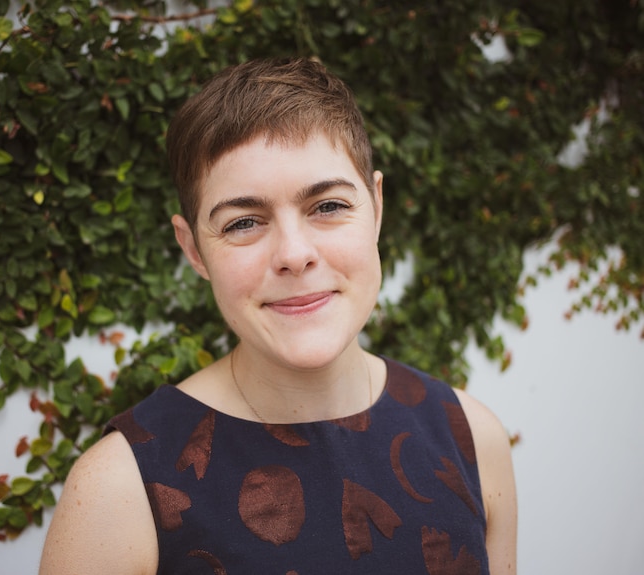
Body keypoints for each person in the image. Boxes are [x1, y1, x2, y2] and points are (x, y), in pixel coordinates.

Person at [39, 57, 517, 574]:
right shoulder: (120, 487)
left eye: (328, 206)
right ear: (194, 249)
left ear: (376, 209)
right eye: (244, 221)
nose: (294, 253)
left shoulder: (472, 438)